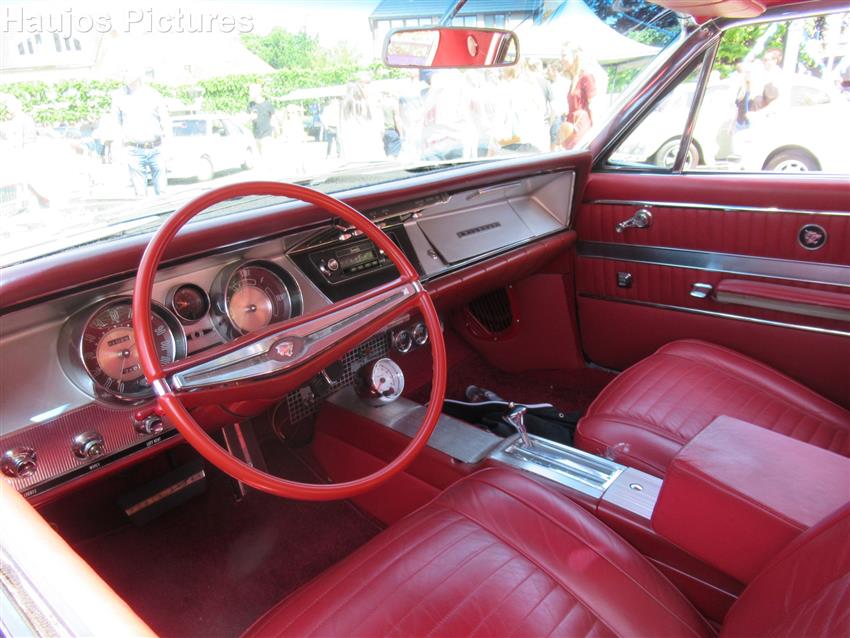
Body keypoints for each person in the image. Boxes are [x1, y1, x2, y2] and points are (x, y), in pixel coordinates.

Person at [112, 68, 169, 197]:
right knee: (140, 195)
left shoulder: (153, 94)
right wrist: (118, 150)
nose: (124, 75)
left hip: (156, 148)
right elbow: (116, 124)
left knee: (162, 192)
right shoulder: (118, 97)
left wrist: (167, 146)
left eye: (127, 71)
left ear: (137, 75)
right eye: (123, 72)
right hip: (134, 149)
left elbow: (165, 121)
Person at [558, 45, 597, 150]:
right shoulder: (575, 79)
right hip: (571, 123)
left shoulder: (586, 77)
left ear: (574, 56)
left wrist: (595, 132)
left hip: (581, 126)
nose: (561, 59)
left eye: (564, 55)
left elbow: (594, 106)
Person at [248, 84, 275, 159]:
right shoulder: (251, 105)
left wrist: (274, 130)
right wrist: (250, 117)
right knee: (259, 155)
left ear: (257, 92)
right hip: (256, 134)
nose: (249, 93)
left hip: (267, 133)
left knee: (265, 154)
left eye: (251, 91)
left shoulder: (267, 104)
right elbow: (246, 118)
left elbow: (273, 117)